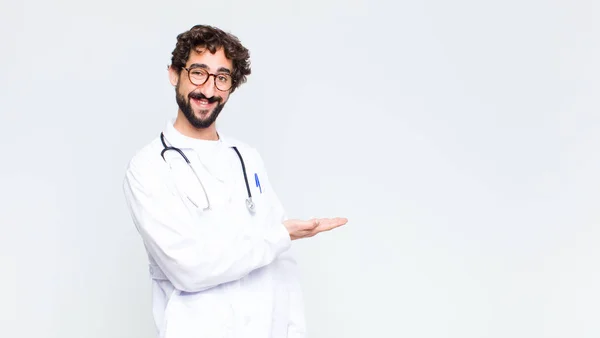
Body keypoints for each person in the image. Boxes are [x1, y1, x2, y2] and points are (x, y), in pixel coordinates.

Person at [122, 24, 347, 338]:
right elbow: (190, 268)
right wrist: (278, 236)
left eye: (222, 78)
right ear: (175, 74)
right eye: (198, 72)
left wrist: (294, 330)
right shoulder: (149, 167)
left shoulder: (247, 157)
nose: (209, 90)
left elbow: (281, 263)